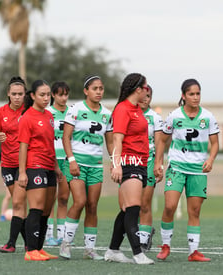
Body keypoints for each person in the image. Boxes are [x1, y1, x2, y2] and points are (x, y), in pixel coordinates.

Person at [155, 78, 219, 262]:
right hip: (176, 167)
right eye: (191, 94)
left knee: (195, 211)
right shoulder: (174, 116)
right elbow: (162, 140)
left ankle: (193, 252)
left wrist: (211, 159)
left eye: (198, 93)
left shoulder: (208, 117)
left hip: (198, 171)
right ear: (183, 96)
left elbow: (215, 144)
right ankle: (166, 245)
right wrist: (158, 162)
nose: (195, 97)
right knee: (170, 206)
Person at [59, 75, 113, 260]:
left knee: (92, 206)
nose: (99, 92)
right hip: (76, 164)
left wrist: (115, 161)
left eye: (101, 88)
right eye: (95, 88)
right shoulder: (75, 109)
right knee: (79, 201)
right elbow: (66, 137)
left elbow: (110, 142)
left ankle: (89, 249)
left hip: (96, 165)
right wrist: (71, 160)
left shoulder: (107, 113)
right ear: (86, 91)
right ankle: (66, 244)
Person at [104, 73, 154, 265]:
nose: (147, 91)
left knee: (126, 210)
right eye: (145, 87)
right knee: (134, 208)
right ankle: (138, 254)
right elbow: (117, 138)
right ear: (138, 89)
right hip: (128, 162)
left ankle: (113, 250)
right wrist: (116, 164)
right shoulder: (123, 109)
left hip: (140, 163)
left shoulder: (136, 109)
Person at [18, 79, 62, 261]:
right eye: (42, 95)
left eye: (47, 95)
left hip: (49, 167)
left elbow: (51, 144)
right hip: (34, 166)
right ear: (33, 96)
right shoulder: (27, 117)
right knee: (36, 208)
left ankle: (39, 248)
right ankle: (30, 250)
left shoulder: (49, 116)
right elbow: (23, 146)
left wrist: (57, 167)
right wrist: (22, 172)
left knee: (46, 210)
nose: (46, 98)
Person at [0, 76, 28, 253]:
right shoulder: (1, 112)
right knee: (18, 203)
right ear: (8, 94)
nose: (17, 97)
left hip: (25, 165)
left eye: (20, 94)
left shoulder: (28, 111)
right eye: (14, 94)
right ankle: (29, 243)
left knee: (19, 203)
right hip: (7, 164)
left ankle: (13, 243)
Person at [45, 81, 71, 246]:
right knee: (49, 199)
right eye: (60, 94)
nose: (64, 98)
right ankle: (48, 235)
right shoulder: (47, 112)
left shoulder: (72, 112)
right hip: (50, 159)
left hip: (67, 160)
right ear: (53, 95)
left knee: (63, 198)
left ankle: (62, 237)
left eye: (66, 94)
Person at [138, 85, 163, 252]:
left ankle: (143, 240)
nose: (145, 99)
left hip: (148, 163)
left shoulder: (155, 118)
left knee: (145, 204)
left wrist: (158, 164)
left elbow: (160, 143)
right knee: (127, 205)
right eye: (143, 95)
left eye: (149, 96)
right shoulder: (127, 114)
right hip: (130, 162)